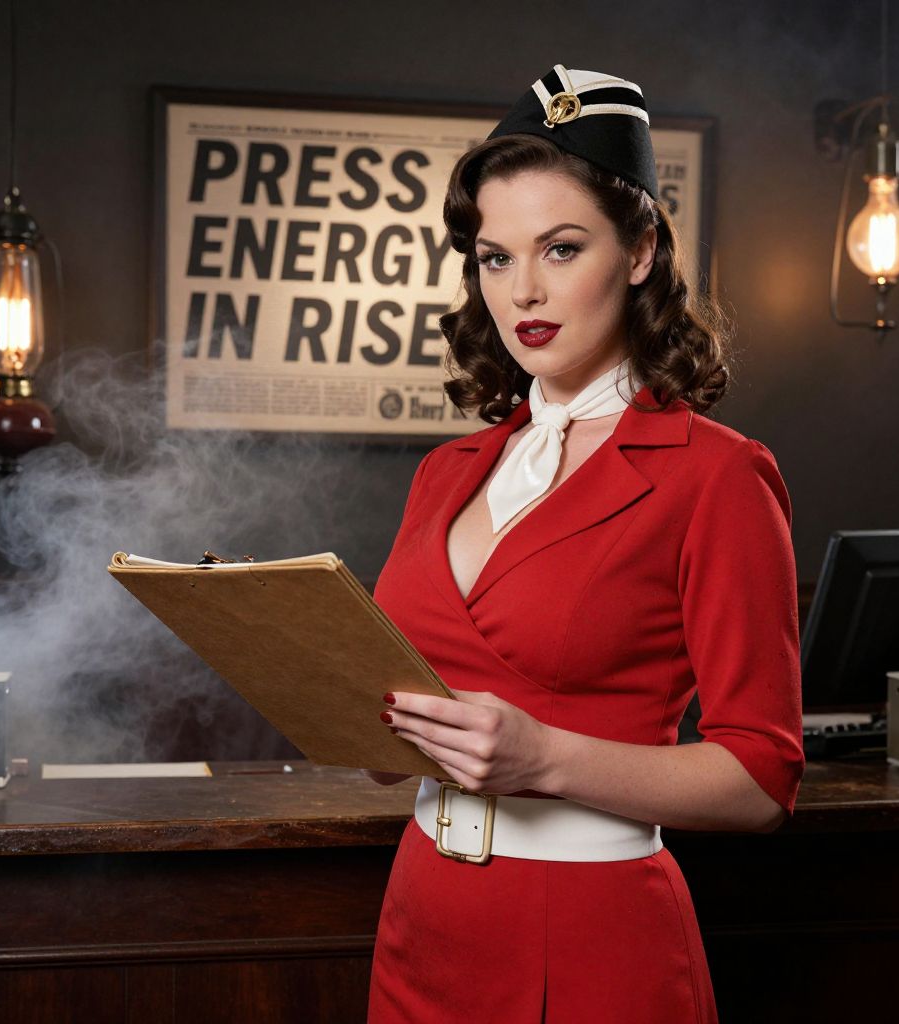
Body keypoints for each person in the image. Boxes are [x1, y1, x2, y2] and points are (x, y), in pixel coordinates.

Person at [364, 63, 804, 1023]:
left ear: (641, 248)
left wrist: (541, 759)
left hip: (590, 935)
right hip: (422, 918)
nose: (522, 289)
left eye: (561, 249)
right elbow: (395, 730)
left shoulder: (717, 475)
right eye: (494, 257)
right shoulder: (446, 474)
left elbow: (761, 779)